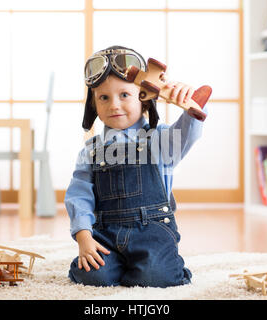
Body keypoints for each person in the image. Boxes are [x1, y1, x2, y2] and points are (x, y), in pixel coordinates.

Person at [64, 45, 210, 288]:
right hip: (106, 234)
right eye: (104, 97)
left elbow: (188, 134)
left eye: (124, 95)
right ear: (94, 106)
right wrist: (83, 236)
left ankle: (148, 266)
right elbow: (79, 195)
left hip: (152, 233)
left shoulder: (160, 139)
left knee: (155, 276)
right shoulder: (90, 151)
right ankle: (123, 266)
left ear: (144, 100)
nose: (114, 105)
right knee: (92, 276)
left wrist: (191, 104)